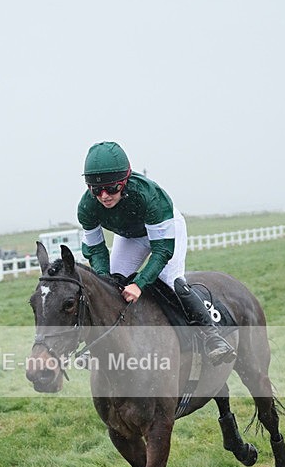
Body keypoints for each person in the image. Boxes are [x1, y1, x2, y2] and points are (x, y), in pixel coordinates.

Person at [78, 141, 236, 365]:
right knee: (108, 285)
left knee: (172, 283)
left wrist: (139, 284)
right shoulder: (86, 207)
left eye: (111, 188)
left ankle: (212, 337)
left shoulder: (149, 196)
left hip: (165, 231)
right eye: (96, 190)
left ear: (125, 181)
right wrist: (104, 278)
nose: (104, 196)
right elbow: (95, 249)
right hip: (130, 235)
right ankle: (98, 344)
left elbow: (162, 251)